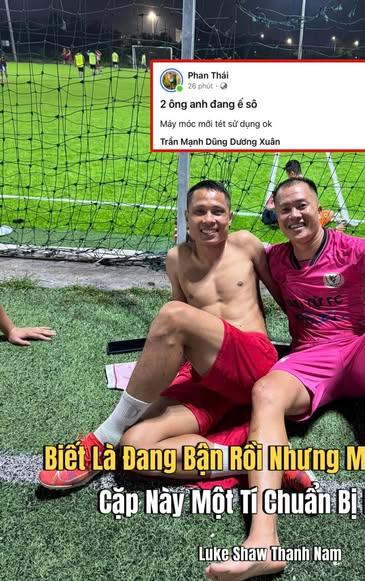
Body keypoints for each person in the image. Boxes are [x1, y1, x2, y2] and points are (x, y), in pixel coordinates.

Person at [205, 178, 365, 581]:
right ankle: (263, 542)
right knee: (265, 391)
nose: (294, 214)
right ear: (276, 218)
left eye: (301, 205)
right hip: (307, 360)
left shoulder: (353, 248)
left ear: (320, 210)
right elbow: (227, 252)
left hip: (357, 354)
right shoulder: (275, 258)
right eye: (285, 209)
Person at [38, 180, 303, 490]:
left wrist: (308, 354)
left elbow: (284, 299)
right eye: (200, 212)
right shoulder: (176, 258)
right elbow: (179, 334)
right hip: (207, 376)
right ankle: (258, 461)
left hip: (251, 362)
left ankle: (102, 439)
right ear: (187, 218)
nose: (209, 219)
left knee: (173, 315)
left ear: (230, 217)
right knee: (136, 449)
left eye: (217, 212)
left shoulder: (246, 243)